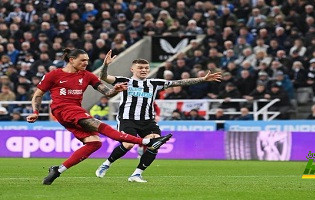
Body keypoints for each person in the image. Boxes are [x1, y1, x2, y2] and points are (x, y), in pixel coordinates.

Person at [26, 49, 172, 185]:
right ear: (71, 60)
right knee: (100, 125)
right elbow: (38, 95)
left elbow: (107, 93)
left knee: (95, 143)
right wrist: (36, 112)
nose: (86, 63)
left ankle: (58, 170)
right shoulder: (54, 74)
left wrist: (116, 89)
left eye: (87, 60)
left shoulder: (87, 75)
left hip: (76, 111)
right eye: (82, 60)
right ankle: (146, 141)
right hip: (63, 109)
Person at [96, 51, 221, 182]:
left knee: (155, 144)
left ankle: (136, 174)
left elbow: (179, 82)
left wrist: (202, 79)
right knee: (128, 145)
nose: (144, 70)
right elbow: (103, 77)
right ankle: (106, 164)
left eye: (146, 68)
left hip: (148, 121)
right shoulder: (124, 81)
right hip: (128, 119)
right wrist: (105, 65)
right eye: (140, 68)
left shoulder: (155, 83)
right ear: (132, 69)